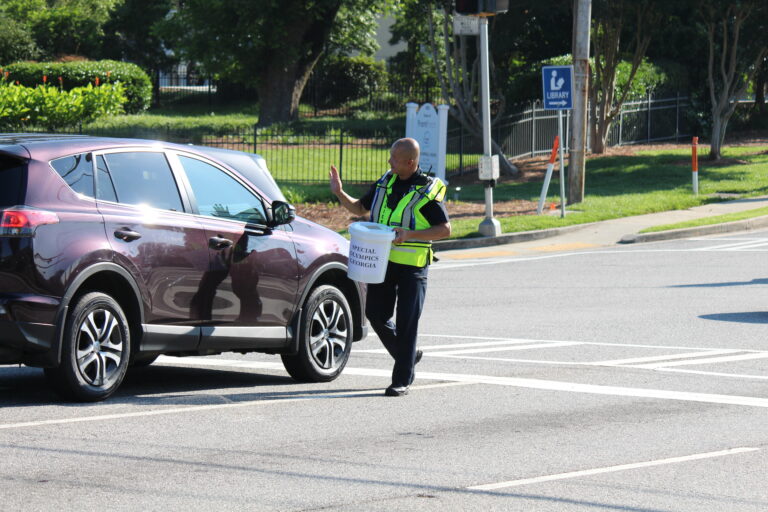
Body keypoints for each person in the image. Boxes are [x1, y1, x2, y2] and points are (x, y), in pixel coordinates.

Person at [329, 137, 451, 396]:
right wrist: (339, 192)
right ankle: (407, 355)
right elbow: (360, 208)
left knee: (408, 321)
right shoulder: (386, 182)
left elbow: (445, 230)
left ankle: (402, 379)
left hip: (413, 267)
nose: (389, 161)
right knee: (375, 313)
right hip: (382, 263)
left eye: (394, 158)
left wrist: (409, 234)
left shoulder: (426, 191)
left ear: (410, 162)